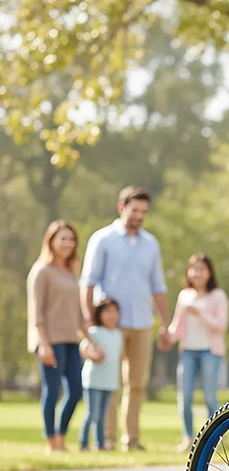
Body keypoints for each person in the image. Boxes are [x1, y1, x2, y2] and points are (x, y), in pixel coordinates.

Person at [80, 186, 171, 452]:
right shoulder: (102, 239)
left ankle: (130, 440)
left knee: (137, 384)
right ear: (122, 208)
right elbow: (88, 283)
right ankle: (106, 438)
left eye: (144, 211)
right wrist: (88, 323)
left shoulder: (151, 244)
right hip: (110, 325)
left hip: (143, 322)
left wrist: (165, 324)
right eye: (135, 210)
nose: (140, 216)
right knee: (110, 383)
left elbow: (158, 287)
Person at [27, 220, 98, 453]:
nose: (68, 243)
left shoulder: (69, 272)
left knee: (76, 391)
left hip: (70, 340)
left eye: (71, 239)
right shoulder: (41, 271)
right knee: (52, 389)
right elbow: (36, 311)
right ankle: (51, 441)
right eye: (63, 238)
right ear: (51, 241)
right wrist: (44, 344)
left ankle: (60, 435)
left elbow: (78, 314)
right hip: (49, 340)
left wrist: (91, 340)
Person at [168, 253, 229, 452]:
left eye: (201, 269)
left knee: (210, 397)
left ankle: (216, 438)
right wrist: (167, 336)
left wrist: (200, 314)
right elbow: (177, 326)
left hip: (210, 352)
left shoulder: (217, 296)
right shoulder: (184, 296)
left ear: (210, 272)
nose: (197, 273)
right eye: (193, 268)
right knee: (184, 397)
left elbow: (221, 326)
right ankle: (188, 437)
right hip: (188, 351)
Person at [78, 299, 123, 452]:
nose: (112, 315)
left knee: (103, 416)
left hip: (109, 381)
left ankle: (100, 444)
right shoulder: (94, 332)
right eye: (108, 311)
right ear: (100, 314)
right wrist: (93, 354)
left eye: (115, 311)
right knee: (92, 414)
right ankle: (83, 444)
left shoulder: (118, 334)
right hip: (94, 380)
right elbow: (83, 349)